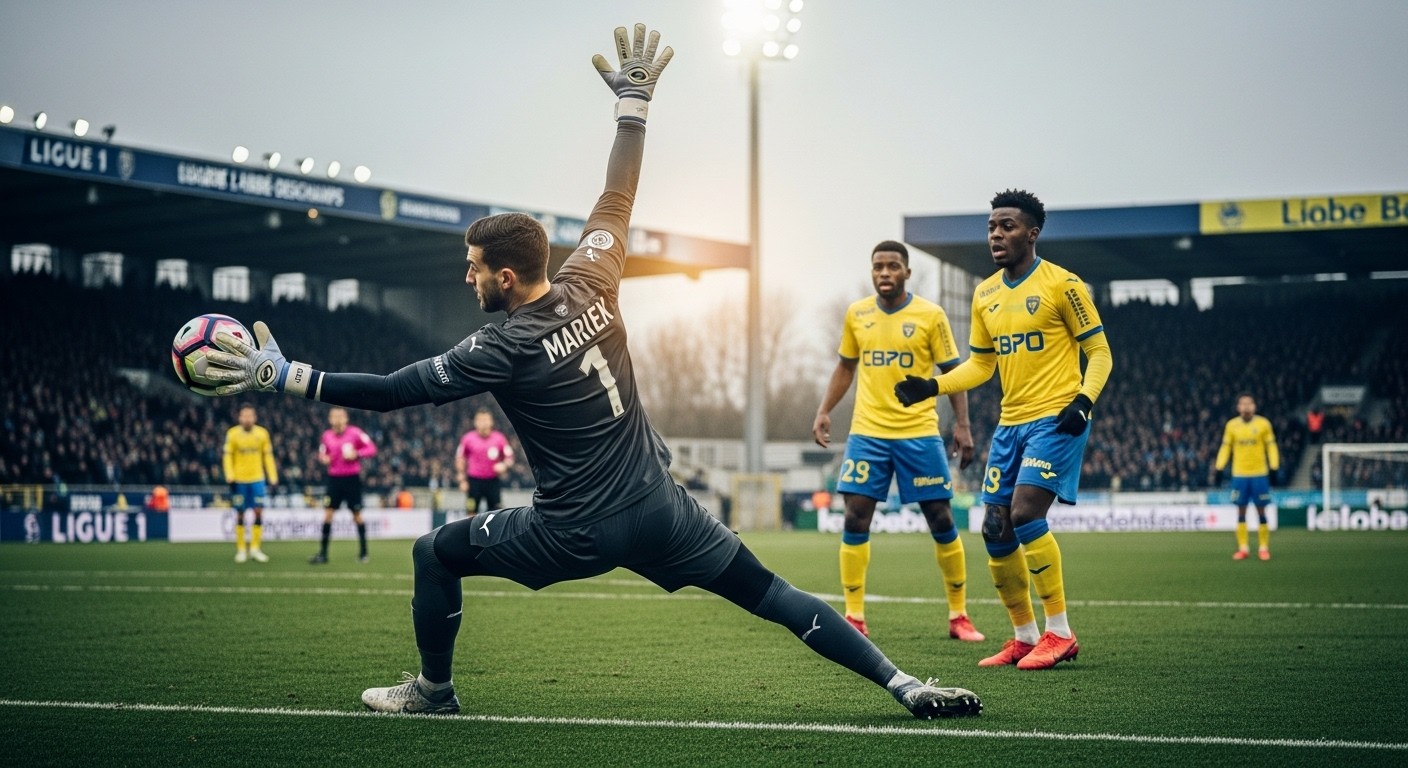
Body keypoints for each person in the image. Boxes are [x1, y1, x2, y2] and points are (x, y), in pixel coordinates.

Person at [193, 25, 980, 720]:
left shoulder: (497, 347)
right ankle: (904, 684)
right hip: (663, 508)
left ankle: (433, 692)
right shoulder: (593, 274)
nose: (467, 279)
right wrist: (633, 107)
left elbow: (396, 391)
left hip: (574, 530)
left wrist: (285, 376)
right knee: (772, 595)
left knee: (434, 553)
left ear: (506, 277)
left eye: (474, 270)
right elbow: (617, 191)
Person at [894, 189, 1113, 671]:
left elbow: (1100, 353)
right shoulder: (985, 293)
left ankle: (1060, 633)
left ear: (1032, 233)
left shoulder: (1064, 285)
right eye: (992, 226)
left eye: (1007, 226)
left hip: (1057, 417)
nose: (996, 234)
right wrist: (932, 386)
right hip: (1011, 424)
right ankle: (1023, 636)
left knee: (1025, 513)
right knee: (995, 528)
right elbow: (980, 366)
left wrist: (1083, 400)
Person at [811, 240, 981, 642]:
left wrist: (963, 425)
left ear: (906, 272)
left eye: (892, 266)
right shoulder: (858, 314)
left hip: (918, 433)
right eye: (878, 267)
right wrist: (823, 410)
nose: (884, 273)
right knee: (855, 517)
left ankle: (959, 616)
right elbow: (845, 367)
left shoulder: (930, 315)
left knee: (940, 517)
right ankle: (854, 617)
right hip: (868, 433)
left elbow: (952, 372)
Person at [1213, 394, 1280, 561]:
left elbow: (1271, 446)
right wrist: (1219, 467)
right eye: (1242, 404)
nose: (1246, 407)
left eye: (1249, 403)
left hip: (1259, 474)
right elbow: (1226, 447)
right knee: (1240, 510)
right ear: (1238, 407)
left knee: (1261, 510)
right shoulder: (1232, 425)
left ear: (1254, 406)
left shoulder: (1263, 424)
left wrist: (1274, 466)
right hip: (1240, 474)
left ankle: (1263, 548)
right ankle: (1243, 548)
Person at [310, 406, 378, 564]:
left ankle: (363, 553)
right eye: (334, 416)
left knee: (357, 515)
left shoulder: (355, 433)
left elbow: (371, 449)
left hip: (351, 479)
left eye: (340, 416)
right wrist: (324, 458)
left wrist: (357, 454)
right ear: (330, 419)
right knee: (328, 514)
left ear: (346, 418)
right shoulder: (326, 436)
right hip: (334, 480)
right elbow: (322, 453)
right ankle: (323, 554)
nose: (337, 419)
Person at [224, 403, 277, 563]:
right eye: (244, 416)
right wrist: (229, 475)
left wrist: (273, 476)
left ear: (254, 417)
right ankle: (241, 550)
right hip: (239, 480)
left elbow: (267, 456)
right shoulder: (232, 434)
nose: (247, 419)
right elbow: (227, 456)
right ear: (240, 417)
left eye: (250, 416)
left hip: (257, 480)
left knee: (258, 512)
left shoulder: (262, 434)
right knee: (240, 513)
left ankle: (255, 548)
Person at [455, 408, 514, 519]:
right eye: (480, 420)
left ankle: (492, 536)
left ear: (491, 422)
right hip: (473, 482)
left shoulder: (499, 438)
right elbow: (460, 459)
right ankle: (470, 535)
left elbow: (510, 457)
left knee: (496, 513)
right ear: (475, 422)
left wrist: (504, 465)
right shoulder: (467, 438)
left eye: (486, 420)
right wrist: (462, 480)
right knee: (470, 513)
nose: (483, 423)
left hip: (492, 481)